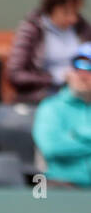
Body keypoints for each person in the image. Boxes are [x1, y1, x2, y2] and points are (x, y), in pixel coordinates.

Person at [7, 0, 91, 104]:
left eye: (75, 12)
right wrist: (57, 77)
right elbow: (15, 74)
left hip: (83, 94)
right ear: (51, 9)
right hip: (45, 95)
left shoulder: (82, 28)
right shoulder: (32, 29)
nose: (72, 19)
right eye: (66, 12)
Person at [32, 42, 91, 187]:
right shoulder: (51, 107)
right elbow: (52, 147)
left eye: (89, 68)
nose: (83, 74)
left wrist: (76, 135)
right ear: (68, 72)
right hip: (61, 186)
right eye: (77, 66)